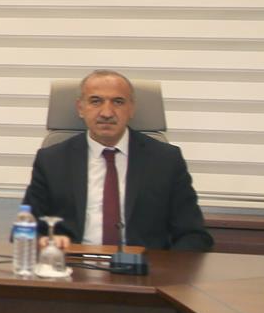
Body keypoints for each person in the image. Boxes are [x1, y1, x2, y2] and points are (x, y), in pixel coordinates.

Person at [22, 69, 211, 251]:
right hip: (72, 265)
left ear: (131, 109)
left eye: (118, 102)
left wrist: (165, 268)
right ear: (80, 108)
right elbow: (25, 231)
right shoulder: (52, 161)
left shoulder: (166, 161)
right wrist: (44, 242)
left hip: (143, 268)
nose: (107, 113)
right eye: (96, 101)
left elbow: (193, 235)